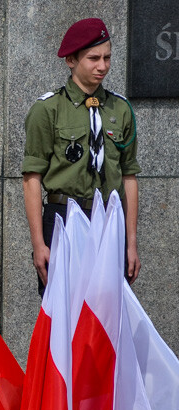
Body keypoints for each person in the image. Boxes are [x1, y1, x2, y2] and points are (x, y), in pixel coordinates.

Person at [23, 17, 140, 294]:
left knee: (107, 315)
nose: (102, 66)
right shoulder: (48, 109)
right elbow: (31, 179)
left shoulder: (120, 109)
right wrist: (39, 244)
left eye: (107, 58)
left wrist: (131, 241)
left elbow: (129, 177)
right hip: (63, 217)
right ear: (71, 60)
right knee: (64, 311)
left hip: (109, 220)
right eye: (93, 58)